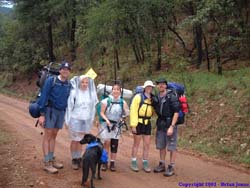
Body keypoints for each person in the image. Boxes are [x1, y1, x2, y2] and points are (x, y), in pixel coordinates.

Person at [38, 61, 72, 174]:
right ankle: (46, 162)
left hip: (61, 112)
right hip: (50, 110)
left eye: (67, 69)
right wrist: (42, 115)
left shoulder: (69, 84)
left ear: (69, 71)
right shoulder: (51, 81)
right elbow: (44, 96)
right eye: (63, 69)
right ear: (60, 70)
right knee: (47, 135)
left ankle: (51, 158)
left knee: (54, 135)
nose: (65, 71)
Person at [65, 75, 98, 170]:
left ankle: (79, 157)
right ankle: (74, 158)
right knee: (75, 140)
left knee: (81, 140)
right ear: (79, 82)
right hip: (75, 119)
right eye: (83, 82)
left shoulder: (91, 93)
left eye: (86, 82)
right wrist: (67, 120)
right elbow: (69, 106)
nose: (84, 84)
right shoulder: (74, 92)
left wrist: (91, 119)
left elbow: (92, 108)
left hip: (86, 120)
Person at [152, 78, 180, 177]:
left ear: (166, 85)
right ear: (157, 86)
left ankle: (171, 166)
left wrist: (172, 126)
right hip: (161, 123)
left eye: (163, 84)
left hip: (170, 123)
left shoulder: (171, 96)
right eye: (159, 84)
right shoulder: (157, 97)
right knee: (161, 145)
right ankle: (162, 164)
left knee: (172, 146)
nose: (161, 86)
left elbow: (176, 112)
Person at [99, 83, 129, 172]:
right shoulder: (106, 101)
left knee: (114, 144)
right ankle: (104, 162)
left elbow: (126, 112)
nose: (116, 91)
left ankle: (112, 163)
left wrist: (122, 119)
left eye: (118, 89)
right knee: (106, 143)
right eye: (114, 89)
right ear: (112, 90)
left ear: (120, 91)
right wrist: (107, 120)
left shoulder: (122, 102)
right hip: (106, 125)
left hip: (116, 126)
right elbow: (101, 112)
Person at [130, 80, 155, 173]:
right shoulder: (138, 97)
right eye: (148, 86)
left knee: (147, 144)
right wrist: (133, 125)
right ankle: (133, 161)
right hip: (138, 122)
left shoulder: (152, 98)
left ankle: (145, 162)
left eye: (151, 87)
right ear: (144, 87)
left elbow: (153, 111)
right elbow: (133, 111)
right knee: (136, 143)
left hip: (147, 123)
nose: (149, 88)